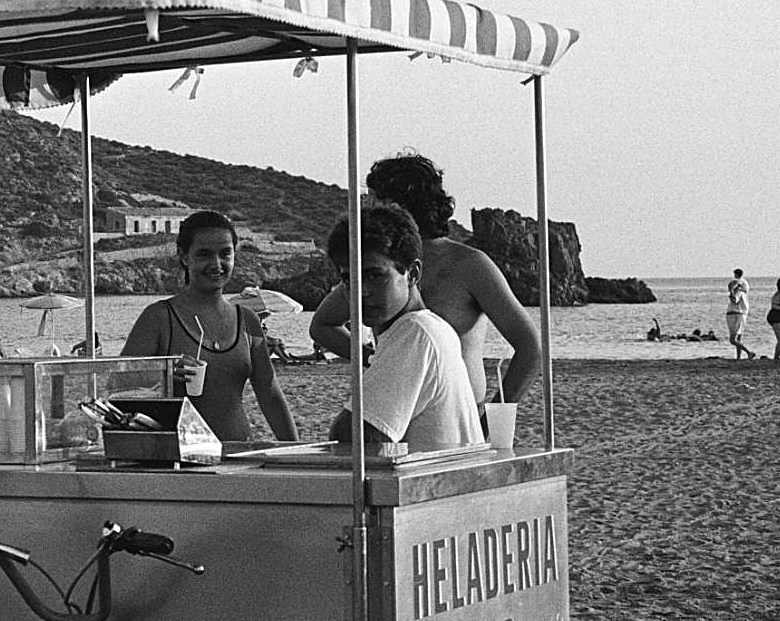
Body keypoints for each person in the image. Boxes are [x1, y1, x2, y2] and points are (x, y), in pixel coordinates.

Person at [310, 154, 540, 406]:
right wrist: (375, 360)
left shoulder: (469, 265)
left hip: (458, 416)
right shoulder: (375, 269)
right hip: (396, 413)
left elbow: (530, 348)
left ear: (398, 205)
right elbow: (323, 325)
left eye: (375, 201)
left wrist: (494, 416)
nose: (368, 210)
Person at [120, 210, 298, 442]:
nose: (216, 264)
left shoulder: (248, 321)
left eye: (225, 254)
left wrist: (296, 450)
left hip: (237, 454)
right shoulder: (159, 318)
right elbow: (119, 384)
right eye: (204, 254)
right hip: (176, 460)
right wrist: (163, 372)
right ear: (184, 257)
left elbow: (269, 393)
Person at [327, 205, 483, 452]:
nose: (361, 291)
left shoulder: (415, 333)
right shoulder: (433, 327)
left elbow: (356, 436)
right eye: (349, 279)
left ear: (413, 273)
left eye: (375, 276)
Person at [725, 268, 756, 360]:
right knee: (738, 337)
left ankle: (748, 352)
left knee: (732, 339)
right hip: (742, 313)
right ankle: (738, 357)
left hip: (735, 313)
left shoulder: (738, 290)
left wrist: (731, 293)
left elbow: (735, 301)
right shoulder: (744, 287)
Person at [767, 278, 780, 362]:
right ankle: (776, 357)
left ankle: (776, 357)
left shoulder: (777, 293)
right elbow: (776, 306)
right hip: (776, 317)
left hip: (774, 316)